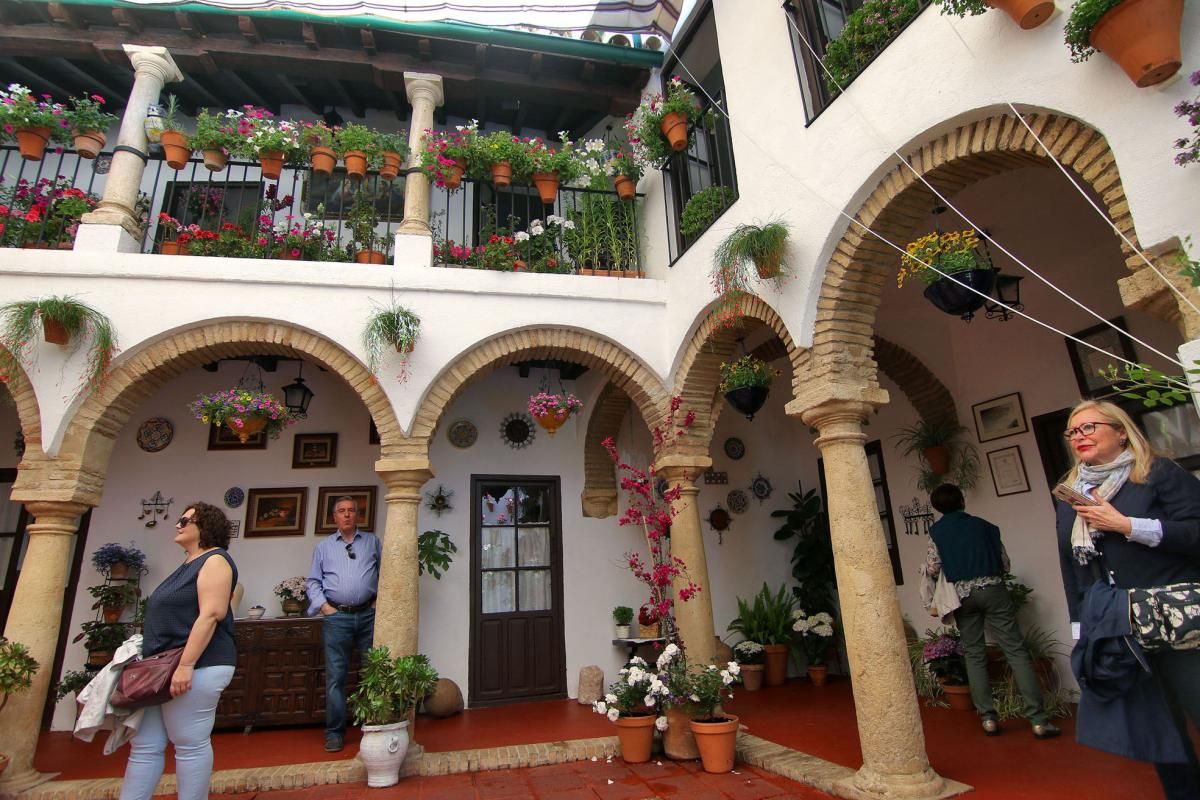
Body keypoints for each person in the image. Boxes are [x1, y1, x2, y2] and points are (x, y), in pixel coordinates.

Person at [1055, 400, 1200, 799]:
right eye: (1073, 432)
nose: (1079, 436)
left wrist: (1127, 526)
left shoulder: (1155, 474)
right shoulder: (1071, 495)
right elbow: (1073, 567)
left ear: (1121, 431)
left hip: (1177, 620)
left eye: (1089, 427)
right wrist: (1081, 627)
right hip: (1120, 626)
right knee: (1160, 730)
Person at [121, 502, 237, 800]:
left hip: (194, 665)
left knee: (189, 743)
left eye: (185, 520)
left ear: (205, 526)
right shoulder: (189, 563)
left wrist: (186, 665)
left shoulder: (215, 561)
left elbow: (211, 614)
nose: (178, 524)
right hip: (161, 669)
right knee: (145, 744)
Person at [926, 482, 1060, 739]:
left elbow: (933, 567)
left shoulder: (937, 532)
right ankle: (1038, 720)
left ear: (937, 508)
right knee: (1015, 650)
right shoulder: (986, 527)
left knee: (974, 654)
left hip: (962, 596)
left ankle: (988, 718)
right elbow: (1005, 563)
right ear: (962, 501)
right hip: (993, 588)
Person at [306, 495, 381, 752]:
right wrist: (324, 607)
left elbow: (386, 573)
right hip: (337, 617)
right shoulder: (324, 547)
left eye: (351, 510)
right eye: (342, 511)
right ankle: (335, 732)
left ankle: (375, 725)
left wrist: (376, 601)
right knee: (336, 677)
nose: (347, 515)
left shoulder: (372, 542)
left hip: (368, 616)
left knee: (373, 672)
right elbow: (313, 581)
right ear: (334, 517)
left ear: (358, 515)